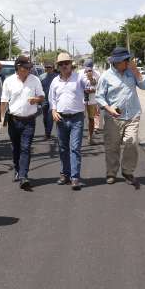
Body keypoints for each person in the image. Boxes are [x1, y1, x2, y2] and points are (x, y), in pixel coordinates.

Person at [95, 47, 145, 187]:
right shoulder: (106, 76)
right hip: (113, 118)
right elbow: (99, 97)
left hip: (132, 115)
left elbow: (144, 86)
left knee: (131, 143)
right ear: (116, 62)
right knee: (112, 147)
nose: (128, 62)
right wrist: (108, 108)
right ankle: (111, 173)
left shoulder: (132, 72)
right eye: (125, 60)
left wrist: (136, 70)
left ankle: (127, 171)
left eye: (128, 59)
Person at [49, 52, 97, 190]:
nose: (64, 66)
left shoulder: (79, 78)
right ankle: (65, 174)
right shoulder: (55, 81)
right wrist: (53, 111)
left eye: (66, 63)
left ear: (71, 65)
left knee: (75, 148)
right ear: (58, 66)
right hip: (61, 118)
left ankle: (75, 177)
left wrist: (92, 80)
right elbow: (52, 98)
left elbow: (90, 87)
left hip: (76, 118)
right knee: (63, 148)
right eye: (61, 64)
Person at [0, 55, 45, 190]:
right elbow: (4, 101)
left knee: (26, 148)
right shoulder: (9, 81)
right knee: (16, 148)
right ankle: (17, 169)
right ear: (18, 67)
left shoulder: (35, 80)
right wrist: (1, 119)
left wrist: (36, 100)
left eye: (29, 68)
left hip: (29, 121)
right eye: (26, 68)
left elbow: (42, 97)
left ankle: (23, 176)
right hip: (14, 120)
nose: (28, 70)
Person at [79, 59, 100, 145]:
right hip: (81, 100)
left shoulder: (97, 74)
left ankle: (90, 138)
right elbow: (76, 86)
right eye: (87, 68)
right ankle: (77, 137)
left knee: (91, 119)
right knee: (79, 119)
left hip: (92, 101)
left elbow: (99, 87)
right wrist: (83, 90)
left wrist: (91, 79)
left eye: (90, 69)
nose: (88, 70)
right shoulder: (79, 73)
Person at [39, 62, 58, 140]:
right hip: (44, 100)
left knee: (50, 117)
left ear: (53, 68)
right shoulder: (41, 77)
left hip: (53, 100)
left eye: (50, 67)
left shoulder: (57, 77)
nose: (48, 69)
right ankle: (47, 131)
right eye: (46, 67)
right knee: (45, 117)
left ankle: (47, 134)